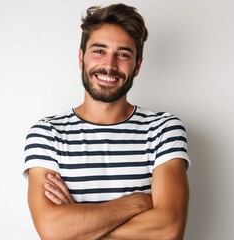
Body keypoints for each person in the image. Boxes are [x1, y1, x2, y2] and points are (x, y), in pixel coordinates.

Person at [24, 3, 190, 240]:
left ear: (137, 66)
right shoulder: (47, 133)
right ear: (81, 58)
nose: (110, 65)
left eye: (123, 54)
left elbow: (168, 229)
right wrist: (137, 203)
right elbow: (52, 231)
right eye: (99, 51)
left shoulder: (163, 129)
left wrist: (78, 227)